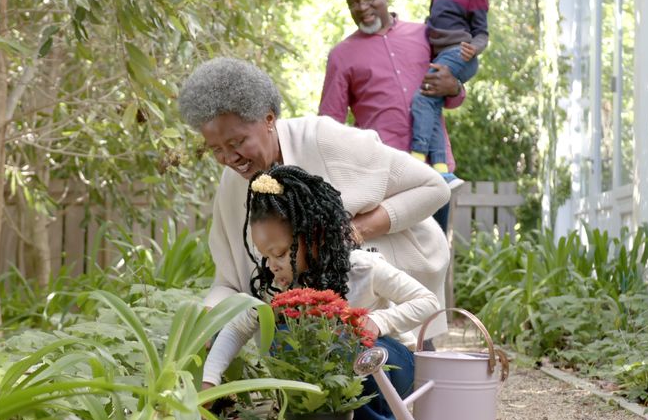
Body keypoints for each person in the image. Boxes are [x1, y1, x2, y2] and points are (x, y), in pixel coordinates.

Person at [177, 57, 450, 348]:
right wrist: (207, 321)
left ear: (269, 119)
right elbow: (230, 281)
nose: (229, 159)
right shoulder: (231, 186)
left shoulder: (324, 139)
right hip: (333, 310)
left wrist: (351, 231)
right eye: (216, 149)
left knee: (405, 369)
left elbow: (433, 187)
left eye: (237, 143)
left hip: (400, 260)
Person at [200, 165, 438, 420]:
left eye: (279, 253)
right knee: (284, 334)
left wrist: (379, 321)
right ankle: (313, 417)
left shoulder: (362, 268)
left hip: (389, 366)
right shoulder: (279, 287)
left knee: (353, 344)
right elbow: (237, 328)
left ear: (314, 237)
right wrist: (209, 381)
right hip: (341, 373)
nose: (272, 265)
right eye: (265, 256)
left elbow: (429, 302)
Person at [319, 0, 465, 232]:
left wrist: (454, 87)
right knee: (393, 265)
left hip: (435, 170)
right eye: (353, 2)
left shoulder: (425, 35)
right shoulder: (341, 55)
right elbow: (329, 126)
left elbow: (454, 95)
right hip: (383, 176)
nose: (362, 7)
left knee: (435, 261)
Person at [411, 0, 499, 186]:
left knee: (422, 99)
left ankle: (416, 159)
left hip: (460, 54)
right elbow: (431, 24)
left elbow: (481, 33)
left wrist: (475, 48)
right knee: (432, 107)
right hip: (442, 56)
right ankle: (441, 169)